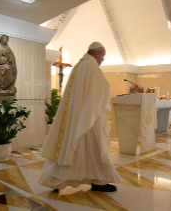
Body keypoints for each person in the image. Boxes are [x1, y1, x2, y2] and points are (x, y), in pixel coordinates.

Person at [38, 42, 122, 192]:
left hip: (78, 117)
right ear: (97, 53)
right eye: (103, 56)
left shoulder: (79, 66)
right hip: (89, 118)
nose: (103, 59)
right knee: (94, 148)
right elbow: (102, 89)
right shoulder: (91, 66)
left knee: (73, 150)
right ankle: (98, 181)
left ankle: (56, 180)